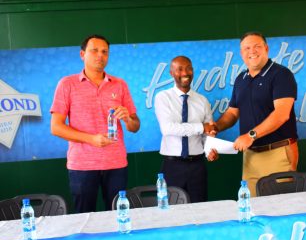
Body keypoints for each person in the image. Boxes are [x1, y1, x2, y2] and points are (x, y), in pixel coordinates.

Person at [50, 34, 140, 213]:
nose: (100, 55)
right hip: (82, 165)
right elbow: (56, 127)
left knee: (119, 215)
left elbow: (135, 127)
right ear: (82, 54)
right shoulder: (67, 84)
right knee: (84, 217)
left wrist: (128, 119)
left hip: (116, 163)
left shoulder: (120, 84)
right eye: (95, 51)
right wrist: (91, 139)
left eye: (105, 52)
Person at [213, 31, 299, 197]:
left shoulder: (281, 74)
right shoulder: (241, 79)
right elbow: (232, 113)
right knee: (251, 209)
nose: (252, 51)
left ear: (266, 48)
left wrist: (251, 135)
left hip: (278, 153)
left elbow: (282, 114)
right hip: (250, 157)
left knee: (279, 210)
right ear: (241, 53)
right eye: (247, 48)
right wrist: (216, 127)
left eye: (257, 46)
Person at [154, 56, 218, 203]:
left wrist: (210, 151)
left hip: (197, 165)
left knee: (199, 210)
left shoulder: (202, 101)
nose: (185, 73)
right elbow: (168, 128)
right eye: (180, 69)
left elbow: (207, 134)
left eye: (188, 68)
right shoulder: (163, 98)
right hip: (172, 166)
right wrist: (201, 127)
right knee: (171, 213)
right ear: (171, 73)